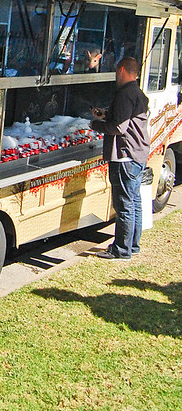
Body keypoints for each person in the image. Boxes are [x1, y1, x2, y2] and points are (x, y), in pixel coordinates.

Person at [90, 56, 150, 260]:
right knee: (134, 201)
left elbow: (119, 127)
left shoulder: (124, 94)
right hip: (138, 154)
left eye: (117, 71)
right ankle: (132, 245)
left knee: (124, 204)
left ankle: (121, 249)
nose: (116, 75)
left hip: (125, 157)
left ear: (122, 70)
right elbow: (126, 120)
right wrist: (106, 114)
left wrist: (95, 125)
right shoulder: (138, 93)